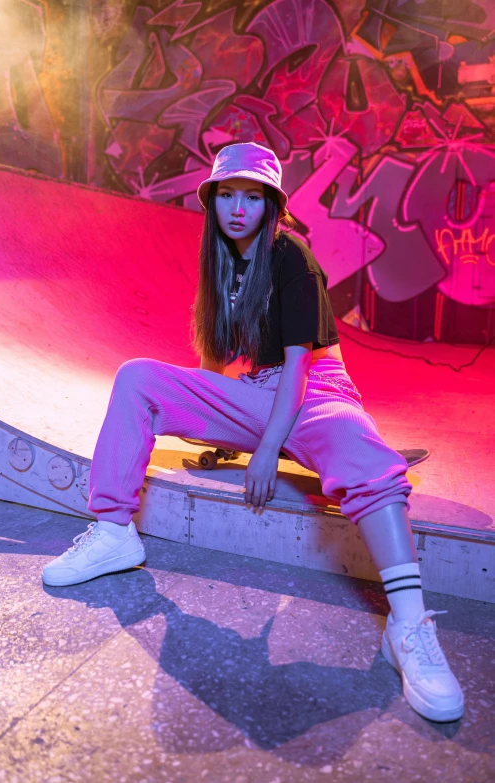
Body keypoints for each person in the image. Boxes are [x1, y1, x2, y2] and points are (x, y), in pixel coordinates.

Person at [42, 142, 463, 723]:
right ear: (214, 202)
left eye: (253, 196)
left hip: (314, 391)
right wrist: (214, 416)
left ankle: (409, 627)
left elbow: (298, 367)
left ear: (272, 205)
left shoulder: (292, 256)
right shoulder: (221, 260)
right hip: (259, 390)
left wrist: (266, 449)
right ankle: (114, 531)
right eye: (228, 195)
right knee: (138, 378)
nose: (239, 208)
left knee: (361, 456)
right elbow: (225, 363)